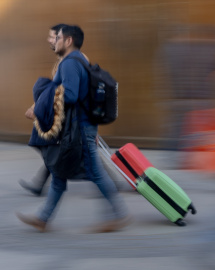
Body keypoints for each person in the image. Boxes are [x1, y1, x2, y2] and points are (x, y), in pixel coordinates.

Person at [16, 25, 131, 233]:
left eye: (58, 37)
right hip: (81, 127)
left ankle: (118, 214)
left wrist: (40, 105)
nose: (54, 41)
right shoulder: (80, 60)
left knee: (95, 173)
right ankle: (43, 218)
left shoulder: (69, 63)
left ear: (68, 40)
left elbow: (70, 95)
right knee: (58, 173)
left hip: (78, 128)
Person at [19, 24, 68, 196]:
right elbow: (51, 91)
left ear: (62, 38)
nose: (48, 40)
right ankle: (43, 183)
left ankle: (108, 184)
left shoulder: (68, 62)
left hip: (66, 115)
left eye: (52, 36)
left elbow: (60, 92)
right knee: (53, 149)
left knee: (52, 148)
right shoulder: (60, 61)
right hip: (61, 114)